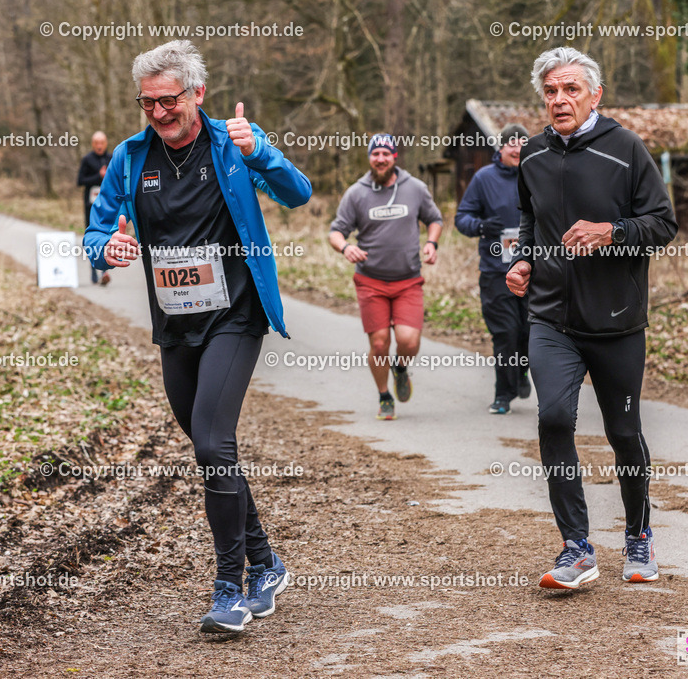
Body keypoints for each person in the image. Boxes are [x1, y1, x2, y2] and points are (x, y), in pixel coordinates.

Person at [83, 40, 311, 633]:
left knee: (212, 446)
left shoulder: (234, 142)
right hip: (175, 324)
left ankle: (229, 588)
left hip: (236, 314)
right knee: (213, 448)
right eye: (148, 102)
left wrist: (260, 150)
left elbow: (298, 192)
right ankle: (267, 563)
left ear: (197, 93)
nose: (160, 112)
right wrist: (106, 247)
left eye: (170, 100)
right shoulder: (130, 158)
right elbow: (95, 231)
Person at [505, 47, 678, 589]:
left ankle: (639, 536)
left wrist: (612, 232)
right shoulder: (532, 154)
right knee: (554, 419)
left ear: (595, 94)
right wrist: (523, 260)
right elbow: (530, 218)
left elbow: (663, 223)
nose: (560, 100)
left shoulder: (626, 148)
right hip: (550, 319)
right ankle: (576, 548)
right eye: (551, 91)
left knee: (624, 432)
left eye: (571, 89)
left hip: (616, 322)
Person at [329, 133, 443, 420]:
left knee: (409, 341)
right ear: (370, 157)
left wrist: (431, 243)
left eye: (385, 154)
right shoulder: (356, 193)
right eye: (375, 154)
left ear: (394, 157)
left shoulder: (415, 188)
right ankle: (384, 397)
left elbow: (434, 220)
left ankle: (400, 369)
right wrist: (346, 247)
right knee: (379, 343)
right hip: (370, 281)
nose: (380, 159)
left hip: (408, 280)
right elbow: (336, 232)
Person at [455, 124, 531, 415]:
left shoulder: (538, 174)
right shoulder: (484, 178)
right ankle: (503, 395)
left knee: (530, 332)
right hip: (495, 271)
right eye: (511, 143)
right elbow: (462, 218)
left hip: (533, 270)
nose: (517, 148)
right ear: (500, 148)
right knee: (506, 333)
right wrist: (482, 226)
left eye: (522, 143)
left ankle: (521, 371)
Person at [77, 131, 112, 285]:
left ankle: (104, 271)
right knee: (91, 236)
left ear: (106, 143)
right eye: (96, 143)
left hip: (107, 204)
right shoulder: (87, 159)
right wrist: (98, 176)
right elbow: (80, 180)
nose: (99, 146)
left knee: (106, 234)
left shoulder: (111, 158)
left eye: (102, 143)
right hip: (90, 205)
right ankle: (93, 269)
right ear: (92, 144)